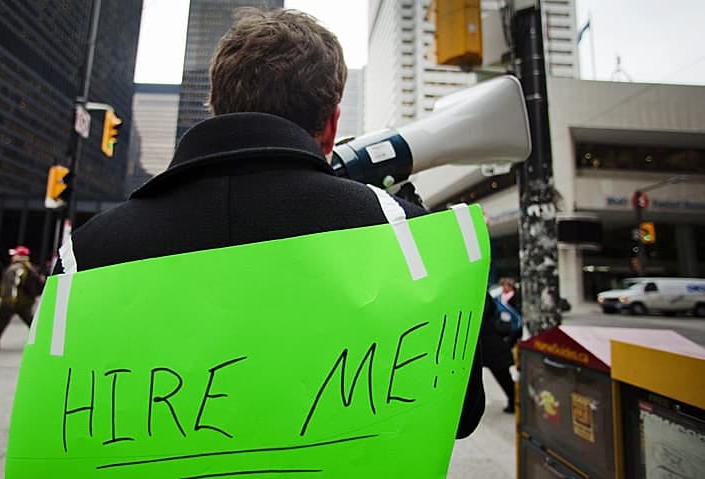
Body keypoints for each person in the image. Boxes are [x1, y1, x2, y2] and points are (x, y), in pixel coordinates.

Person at [53, 8, 484, 438]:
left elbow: (59, 416)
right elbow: (459, 413)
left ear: (215, 106)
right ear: (332, 125)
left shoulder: (83, 255)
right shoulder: (402, 236)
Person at [0, 246, 42, 351]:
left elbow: (12, 285)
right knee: (31, 322)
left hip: (13, 301)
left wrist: (9, 300)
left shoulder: (15, 268)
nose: (12, 257)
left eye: (15, 254)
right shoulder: (29, 267)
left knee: (0, 322)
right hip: (25, 301)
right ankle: (43, 341)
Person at [479, 293, 517, 413]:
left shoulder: (481, 296)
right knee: (503, 375)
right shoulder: (484, 294)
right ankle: (515, 401)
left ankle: (516, 401)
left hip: (490, 343)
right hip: (491, 341)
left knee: (502, 375)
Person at [499, 277, 523, 347]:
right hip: (502, 323)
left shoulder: (515, 297)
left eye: (505, 285)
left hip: (512, 324)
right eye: (502, 285)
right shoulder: (500, 297)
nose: (503, 287)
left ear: (510, 286)